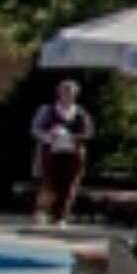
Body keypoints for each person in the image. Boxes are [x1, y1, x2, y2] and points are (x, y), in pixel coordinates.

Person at [29, 80, 92, 224]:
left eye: (71, 92)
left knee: (69, 186)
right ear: (59, 93)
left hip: (73, 154)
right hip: (51, 152)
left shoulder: (81, 113)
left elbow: (88, 133)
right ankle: (41, 212)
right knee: (48, 183)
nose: (68, 95)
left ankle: (61, 216)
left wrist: (73, 137)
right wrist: (49, 136)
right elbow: (35, 129)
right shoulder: (47, 110)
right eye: (65, 91)